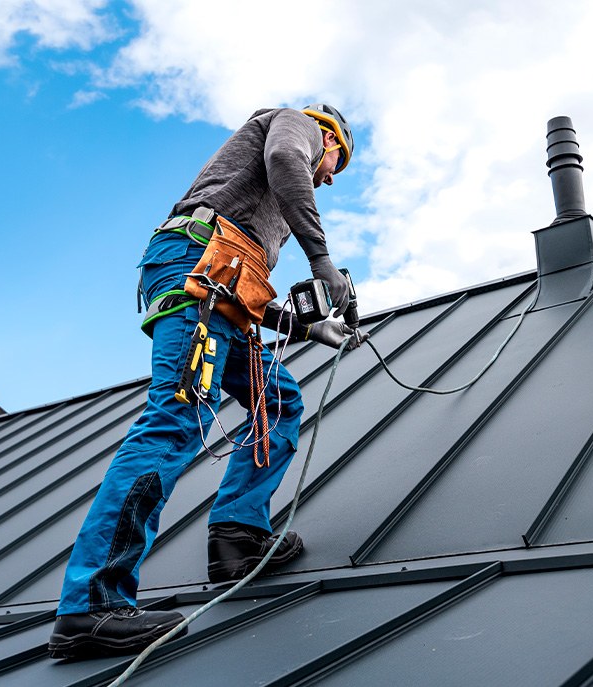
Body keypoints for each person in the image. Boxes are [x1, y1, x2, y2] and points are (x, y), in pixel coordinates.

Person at [48, 104, 360, 660]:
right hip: (195, 264)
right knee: (177, 416)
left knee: (279, 401)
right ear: (329, 134)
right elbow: (288, 158)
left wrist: (308, 327)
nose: (331, 175)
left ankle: (238, 536)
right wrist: (322, 261)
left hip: (218, 281)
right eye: (339, 160)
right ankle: (90, 606)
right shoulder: (297, 123)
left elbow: (238, 285)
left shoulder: (261, 218)